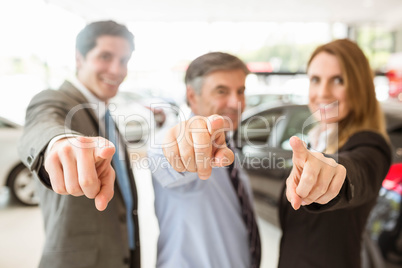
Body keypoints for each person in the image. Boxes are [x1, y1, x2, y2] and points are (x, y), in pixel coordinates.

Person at [18, 21, 140, 268]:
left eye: (124, 60)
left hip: (121, 254)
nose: (117, 69)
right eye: (105, 57)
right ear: (79, 59)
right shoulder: (54, 99)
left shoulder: (105, 113)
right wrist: (58, 141)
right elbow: (43, 123)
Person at [278, 39, 392, 267]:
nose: (323, 92)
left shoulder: (371, 144)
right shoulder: (315, 139)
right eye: (315, 79)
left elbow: (355, 170)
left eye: (338, 80)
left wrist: (332, 174)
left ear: (360, 88)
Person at [148, 52, 261, 268]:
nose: (236, 102)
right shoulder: (173, 140)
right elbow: (167, 150)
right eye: (221, 91)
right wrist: (184, 141)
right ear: (192, 97)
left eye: (241, 91)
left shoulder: (226, 143)